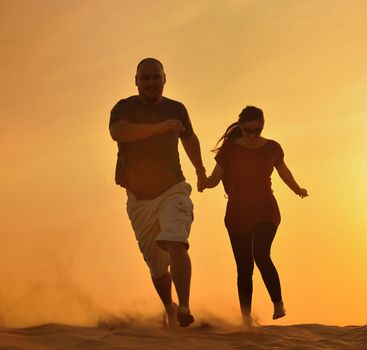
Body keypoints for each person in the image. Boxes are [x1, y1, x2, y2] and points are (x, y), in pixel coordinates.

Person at [109, 58, 206, 327]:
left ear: (165, 79)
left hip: (172, 188)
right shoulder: (124, 107)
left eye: (156, 77)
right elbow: (118, 132)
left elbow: (190, 139)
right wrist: (160, 128)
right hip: (139, 199)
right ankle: (169, 307)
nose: (151, 83)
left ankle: (185, 306)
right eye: (145, 78)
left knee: (175, 241)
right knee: (157, 266)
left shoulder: (177, 109)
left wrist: (200, 171)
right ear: (136, 80)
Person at [203, 106, 308, 326]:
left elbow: (284, 172)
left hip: (265, 209)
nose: (252, 135)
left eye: (257, 130)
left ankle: (278, 303)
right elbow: (214, 178)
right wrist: (204, 182)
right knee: (244, 268)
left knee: (261, 252)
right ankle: (246, 319)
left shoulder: (272, 148)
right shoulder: (229, 151)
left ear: (263, 126)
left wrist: (297, 188)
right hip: (237, 213)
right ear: (241, 127)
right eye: (248, 130)